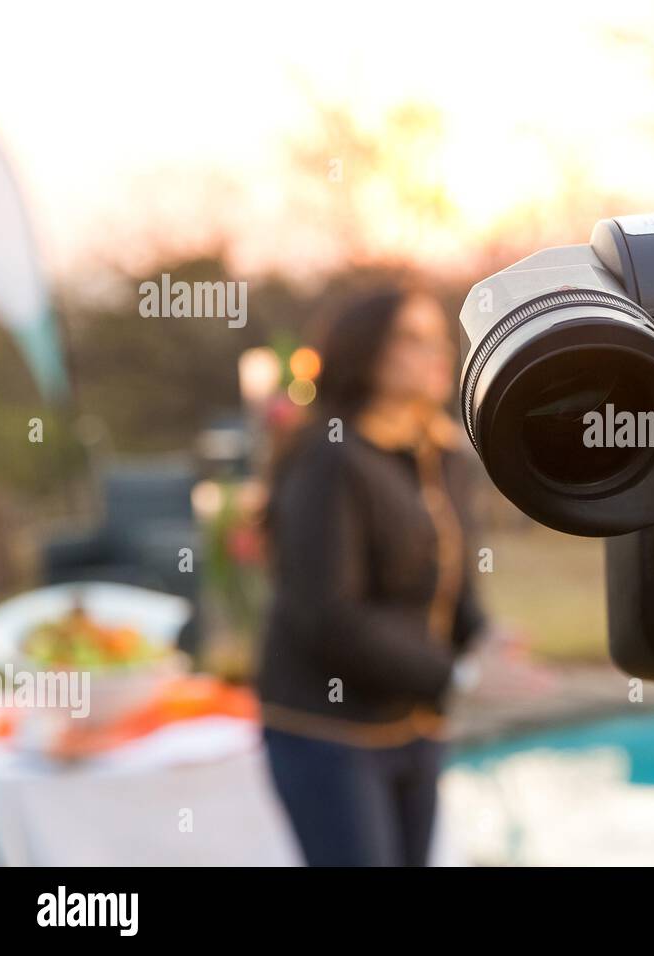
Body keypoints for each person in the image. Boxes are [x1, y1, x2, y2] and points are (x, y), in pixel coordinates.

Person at [258, 287, 485, 866]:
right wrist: (453, 673)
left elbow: (454, 582)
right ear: (364, 351)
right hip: (330, 732)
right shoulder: (330, 456)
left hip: (416, 723)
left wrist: (487, 642)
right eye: (410, 338)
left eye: (437, 337)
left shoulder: (443, 454)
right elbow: (329, 614)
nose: (435, 353)